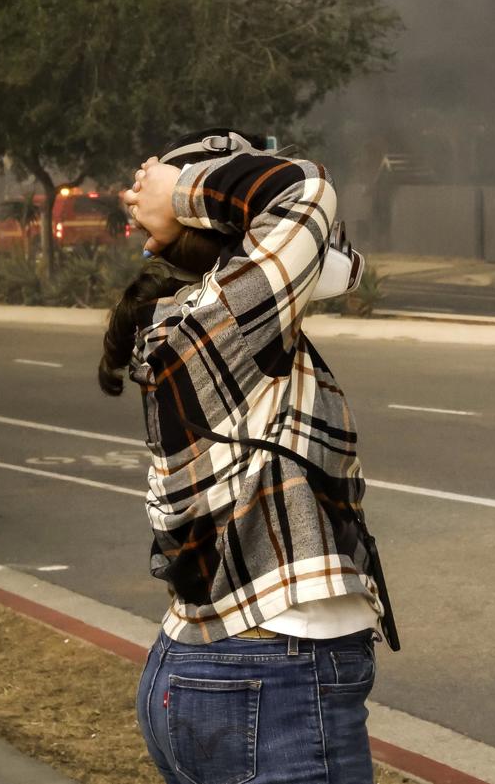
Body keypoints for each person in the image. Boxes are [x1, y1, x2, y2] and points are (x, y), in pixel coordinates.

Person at [105, 129, 393, 784]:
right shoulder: (232, 318)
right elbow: (305, 190)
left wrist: (175, 208)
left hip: (212, 669)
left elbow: (337, 258)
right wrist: (177, 191)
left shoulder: (203, 317)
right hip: (273, 675)